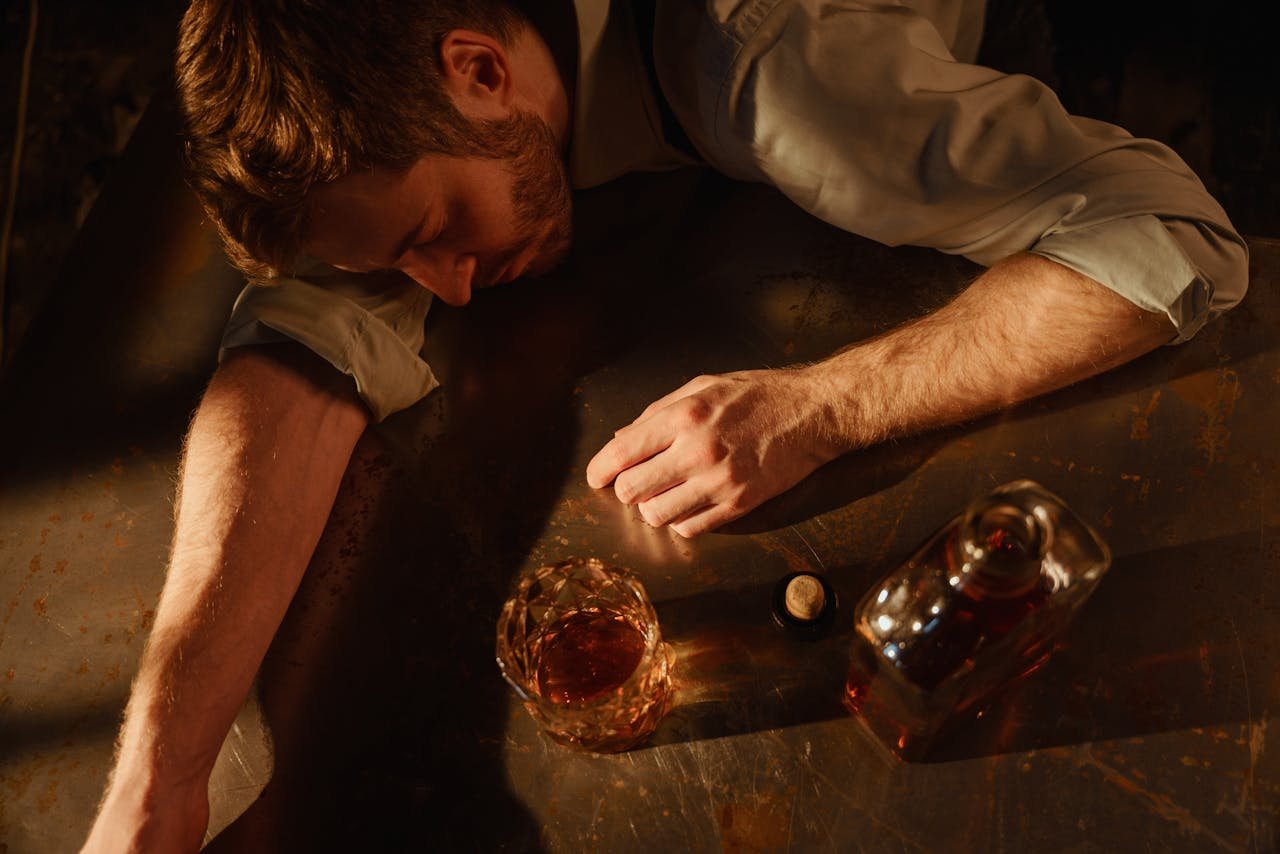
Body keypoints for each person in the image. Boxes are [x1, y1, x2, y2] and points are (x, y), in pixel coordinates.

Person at [83, 0, 1247, 849]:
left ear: (480, 65)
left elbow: (1167, 242)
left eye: (438, 225)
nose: (442, 290)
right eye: (399, 256)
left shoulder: (789, 83)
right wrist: (157, 779)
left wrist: (823, 403)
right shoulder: (391, 71)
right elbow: (298, 343)